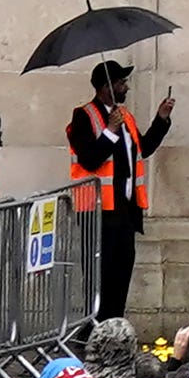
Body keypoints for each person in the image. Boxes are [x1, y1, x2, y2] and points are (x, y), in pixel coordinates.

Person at [63, 55, 167, 323]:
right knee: (100, 277)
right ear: (106, 86)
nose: (126, 87)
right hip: (98, 212)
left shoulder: (125, 116)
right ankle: (95, 330)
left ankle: (115, 327)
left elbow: (142, 149)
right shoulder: (83, 116)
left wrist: (161, 120)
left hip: (125, 210)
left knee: (122, 273)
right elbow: (89, 158)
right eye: (122, 82)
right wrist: (110, 131)